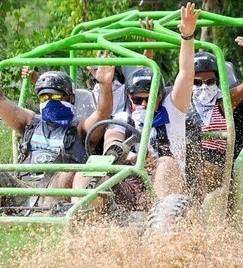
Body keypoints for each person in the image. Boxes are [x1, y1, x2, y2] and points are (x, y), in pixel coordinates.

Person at [0, 47, 115, 215]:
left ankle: (57, 226)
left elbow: (102, 114)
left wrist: (104, 85)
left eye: (57, 97)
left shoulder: (80, 129)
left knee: (69, 170)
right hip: (24, 188)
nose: (51, 101)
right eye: (45, 97)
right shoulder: (30, 122)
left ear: (71, 98)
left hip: (57, 193)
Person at [86, 2, 200, 208]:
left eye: (149, 99)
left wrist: (187, 37)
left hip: (170, 192)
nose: (143, 104)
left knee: (164, 163)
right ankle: (79, 225)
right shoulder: (123, 118)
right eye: (138, 99)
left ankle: (161, 230)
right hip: (131, 184)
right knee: (92, 171)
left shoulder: (173, 111)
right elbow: (111, 146)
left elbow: (186, 73)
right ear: (130, 98)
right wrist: (132, 156)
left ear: (160, 96)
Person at [187, 35, 243, 198]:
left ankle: (195, 213)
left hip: (216, 162)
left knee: (203, 171)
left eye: (209, 82)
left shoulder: (224, 102)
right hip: (187, 160)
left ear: (217, 81)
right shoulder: (180, 104)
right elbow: (148, 92)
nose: (203, 87)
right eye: (197, 83)